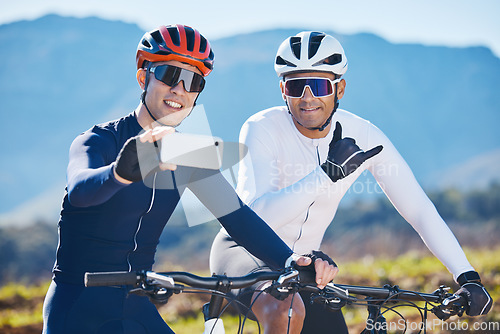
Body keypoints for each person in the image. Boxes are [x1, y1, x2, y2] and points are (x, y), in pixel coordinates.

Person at [41, 25, 338, 334]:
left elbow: (236, 216)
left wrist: (290, 260)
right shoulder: (100, 140)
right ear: (144, 77)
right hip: (77, 306)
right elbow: (80, 191)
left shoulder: (187, 152)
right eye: (169, 75)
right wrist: (120, 172)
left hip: (135, 305)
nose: (180, 90)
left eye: (193, 82)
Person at [209, 31, 492, 333]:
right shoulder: (261, 127)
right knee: (285, 312)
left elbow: (419, 209)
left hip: (304, 267)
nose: (307, 98)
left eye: (318, 85)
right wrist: (326, 174)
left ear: (339, 87)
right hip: (243, 252)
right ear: (283, 89)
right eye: (295, 86)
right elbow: (257, 217)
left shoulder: (365, 136)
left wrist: (467, 276)